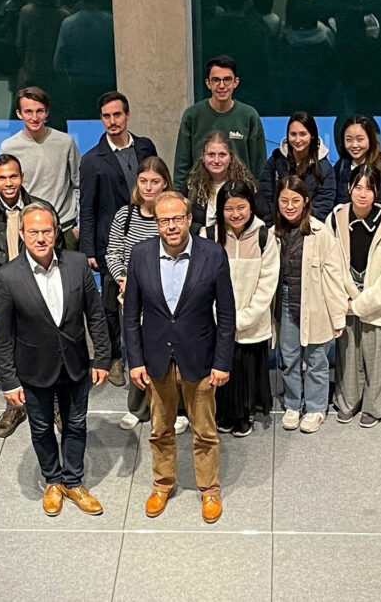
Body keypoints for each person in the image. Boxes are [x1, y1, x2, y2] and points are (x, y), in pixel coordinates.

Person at [0, 203, 112, 517]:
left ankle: (73, 481)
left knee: (76, 424)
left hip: (75, 364)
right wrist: (9, 381)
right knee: (42, 427)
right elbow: (1, 337)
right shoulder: (6, 277)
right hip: (33, 369)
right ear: (22, 233)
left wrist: (102, 358)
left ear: (56, 232)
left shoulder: (77, 264)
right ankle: (53, 481)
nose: (41, 238)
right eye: (33, 232)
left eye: (46, 231)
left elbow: (95, 314)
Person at [123, 191, 236, 524]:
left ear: (188, 219)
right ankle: (162, 484)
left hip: (200, 358)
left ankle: (209, 489)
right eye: (164, 220)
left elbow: (226, 314)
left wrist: (222, 362)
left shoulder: (213, 255)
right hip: (156, 358)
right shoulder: (140, 254)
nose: (171, 226)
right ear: (156, 223)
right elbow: (131, 315)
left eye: (177, 219)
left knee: (205, 431)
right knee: (159, 429)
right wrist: (135, 360)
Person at [0, 153, 59, 438]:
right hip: (2, 296)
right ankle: (15, 405)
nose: (8, 182)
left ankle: (54, 404)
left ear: (22, 178)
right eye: (2, 177)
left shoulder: (42, 209)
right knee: (6, 350)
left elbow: (57, 252)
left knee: (47, 347)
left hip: (39, 291)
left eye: (13, 176)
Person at [79, 91, 158, 387]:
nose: (112, 121)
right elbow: (86, 207)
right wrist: (88, 249)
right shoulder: (92, 160)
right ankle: (114, 358)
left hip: (147, 233)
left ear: (127, 115)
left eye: (117, 114)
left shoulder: (145, 146)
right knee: (111, 306)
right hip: (110, 243)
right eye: (106, 116)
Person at [105, 157, 189, 433]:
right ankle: (138, 407)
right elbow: (113, 252)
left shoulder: (172, 215)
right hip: (131, 296)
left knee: (172, 352)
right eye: (143, 181)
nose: (148, 187)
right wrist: (123, 277)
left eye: (155, 181)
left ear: (165, 183)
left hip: (167, 299)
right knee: (136, 351)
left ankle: (177, 409)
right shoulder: (125, 215)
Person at [326, 166, 381, 427]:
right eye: (358, 187)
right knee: (347, 355)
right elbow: (330, 263)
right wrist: (345, 300)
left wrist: (360, 303)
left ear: (377, 192)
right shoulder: (335, 219)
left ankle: (375, 407)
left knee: (377, 357)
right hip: (344, 298)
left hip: (377, 303)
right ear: (349, 188)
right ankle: (347, 401)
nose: (363, 194)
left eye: (369, 189)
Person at [200, 180, 278, 437]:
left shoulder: (265, 237)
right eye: (229, 208)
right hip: (216, 322)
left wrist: (243, 318)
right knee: (221, 372)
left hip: (252, 323)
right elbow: (202, 281)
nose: (235, 214)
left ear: (251, 206)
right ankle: (223, 414)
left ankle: (245, 415)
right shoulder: (208, 236)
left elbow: (267, 284)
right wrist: (220, 318)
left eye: (241, 207)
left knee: (247, 373)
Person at [273, 176, 347, 434]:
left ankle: (316, 407)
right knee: (289, 357)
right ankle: (293, 403)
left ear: (305, 201)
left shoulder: (320, 232)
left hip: (316, 303)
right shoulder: (272, 233)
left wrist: (338, 316)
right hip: (285, 302)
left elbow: (334, 277)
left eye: (295, 200)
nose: (289, 206)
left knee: (316, 358)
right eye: (284, 200)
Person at [0, 86, 82, 249]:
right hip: (29, 231)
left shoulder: (65, 142)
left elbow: (80, 184)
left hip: (64, 229)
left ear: (47, 112)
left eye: (40, 111)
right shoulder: (9, 147)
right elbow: (5, 190)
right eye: (28, 112)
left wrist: (78, 228)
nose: (34, 117)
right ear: (19, 114)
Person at [173, 55, 267, 191]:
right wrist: (179, 196)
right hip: (199, 194)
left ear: (236, 82)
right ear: (208, 83)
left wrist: (257, 196)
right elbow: (181, 166)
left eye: (227, 80)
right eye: (216, 80)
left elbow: (259, 166)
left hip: (239, 196)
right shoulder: (192, 115)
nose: (221, 85)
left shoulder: (249, 115)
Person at [259, 111, 336, 223]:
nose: (297, 140)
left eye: (303, 134)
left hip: (309, 227)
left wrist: (300, 222)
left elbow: (324, 204)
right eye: (293, 134)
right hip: (277, 225)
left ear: (312, 135)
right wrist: (277, 221)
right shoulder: (275, 161)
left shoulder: (325, 168)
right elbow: (265, 194)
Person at [183, 130, 261, 234]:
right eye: (211, 154)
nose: (216, 160)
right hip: (202, 240)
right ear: (203, 157)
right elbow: (180, 218)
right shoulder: (191, 185)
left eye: (222, 155)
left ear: (231, 157)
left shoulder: (248, 185)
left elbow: (265, 218)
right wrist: (199, 230)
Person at [334, 115, 381, 210]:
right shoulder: (340, 167)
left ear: (371, 139)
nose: (354, 145)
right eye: (349, 140)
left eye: (360, 139)